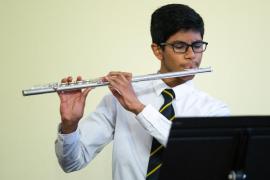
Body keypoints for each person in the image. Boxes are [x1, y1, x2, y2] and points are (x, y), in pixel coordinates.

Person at [55, 3, 230, 180]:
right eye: (180, 46)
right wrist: (70, 125)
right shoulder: (118, 99)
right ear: (158, 50)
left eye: (197, 45)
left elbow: (202, 156)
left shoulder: (214, 110)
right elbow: (71, 163)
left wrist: (139, 109)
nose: (192, 55)